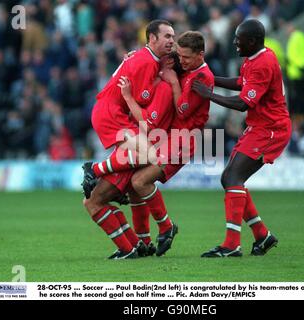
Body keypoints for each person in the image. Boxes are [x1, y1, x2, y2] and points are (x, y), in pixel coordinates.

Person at [192, 19, 291, 257]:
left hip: (271, 129)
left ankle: (232, 244)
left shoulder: (262, 63)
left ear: (253, 41)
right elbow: (241, 84)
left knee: (233, 177)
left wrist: (209, 94)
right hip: (259, 127)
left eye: (239, 39)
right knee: (229, 178)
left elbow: (243, 103)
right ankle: (262, 235)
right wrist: (211, 79)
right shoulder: (255, 58)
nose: (235, 42)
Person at [82, 20, 175, 259]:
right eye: (166, 36)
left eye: (173, 36)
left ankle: (137, 243)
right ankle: (96, 168)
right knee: (149, 156)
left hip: (110, 111)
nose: (171, 41)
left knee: (137, 178)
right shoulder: (146, 63)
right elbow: (141, 102)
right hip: (111, 113)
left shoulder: (146, 60)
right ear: (151, 39)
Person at [115, 31, 215, 256]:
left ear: (200, 55)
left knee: (140, 182)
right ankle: (143, 242)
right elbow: (159, 60)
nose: (181, 61)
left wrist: (172, 82)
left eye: (186, 57)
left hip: (183, 140)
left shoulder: (203, 77)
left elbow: (182, 109)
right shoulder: (187, 67)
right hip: (169, 137)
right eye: (179, 56)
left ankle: (166, 226)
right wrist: (134, 57)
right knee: (134, 186)